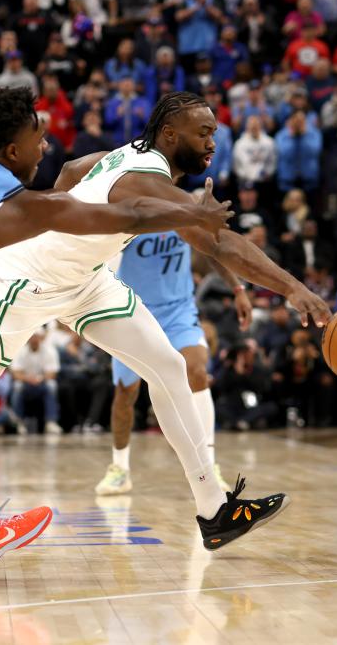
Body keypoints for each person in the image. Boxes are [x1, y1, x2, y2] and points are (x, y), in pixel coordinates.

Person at [0, 91, 331, 554]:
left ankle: (213, 510)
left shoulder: (128, 155)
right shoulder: (145, 179)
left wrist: (64, 216)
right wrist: (294, 289)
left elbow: (73, 174)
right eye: (204, 131)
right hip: (28, 279)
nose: (215, 140)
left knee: (168, 368)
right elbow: (218, 242)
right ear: (171, 133)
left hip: (87, 278)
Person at [95, 202, 253, 495]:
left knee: (196, 371)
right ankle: (120, 468)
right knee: (125, 392)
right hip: (134, 312)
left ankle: (209, 462)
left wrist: (237, 288)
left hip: (178, 311)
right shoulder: (130, 214)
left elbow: (212, 250)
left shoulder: (183, 210)